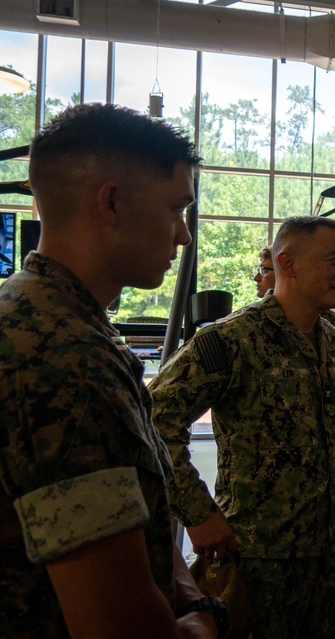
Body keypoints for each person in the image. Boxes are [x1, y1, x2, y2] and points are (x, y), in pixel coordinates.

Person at [0, 103, 220, 638]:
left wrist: (188, 598)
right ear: (113, 203)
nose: (183, 236)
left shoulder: (44, 316)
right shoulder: (63, 358)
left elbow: (129, 513)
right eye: (175, 209)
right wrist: (212, 620)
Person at [150, 216, 335, 639]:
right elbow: (154, 419)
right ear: (288, 263)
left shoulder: (334, 339)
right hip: (257, 558)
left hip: (326, 556)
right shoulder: (232, 339)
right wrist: (197, 513)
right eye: (334, 261)